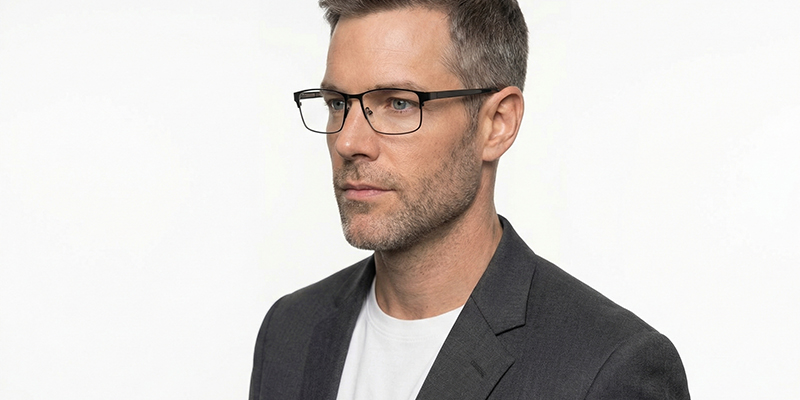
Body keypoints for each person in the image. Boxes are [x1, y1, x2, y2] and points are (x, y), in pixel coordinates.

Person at [250, 0, 690, 398]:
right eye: (337, 103)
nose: (348, 142)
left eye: (399, 103)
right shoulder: (289, 330)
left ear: (497, 123)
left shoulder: (607, 368)